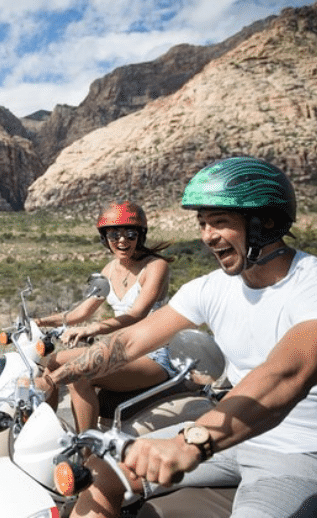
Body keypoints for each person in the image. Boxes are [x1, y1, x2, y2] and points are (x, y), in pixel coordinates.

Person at [43, 157, 317, 518]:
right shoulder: (212, 288)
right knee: (98, 475)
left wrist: (191, 441)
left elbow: (284, 374)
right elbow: (130, 341)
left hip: (296, 450)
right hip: (229, 436)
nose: (207, 236)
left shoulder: (309, 286)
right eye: (202, 223)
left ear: (265, 221)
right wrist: (56, 375)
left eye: (219, 222)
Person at [35, 201, 176, 432]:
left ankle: (86, 449)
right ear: (105, 238)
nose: (122, 241)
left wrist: (94, 329)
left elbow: (137, 314)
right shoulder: (108, 270)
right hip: (124, 350)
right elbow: (82, 311)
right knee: (51, 363)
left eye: (130, 234)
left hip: (154, 354)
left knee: (80, 374)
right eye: (114, 234)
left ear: (140, 235)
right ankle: (49, 433)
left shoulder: (155, 266)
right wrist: (40, 321)